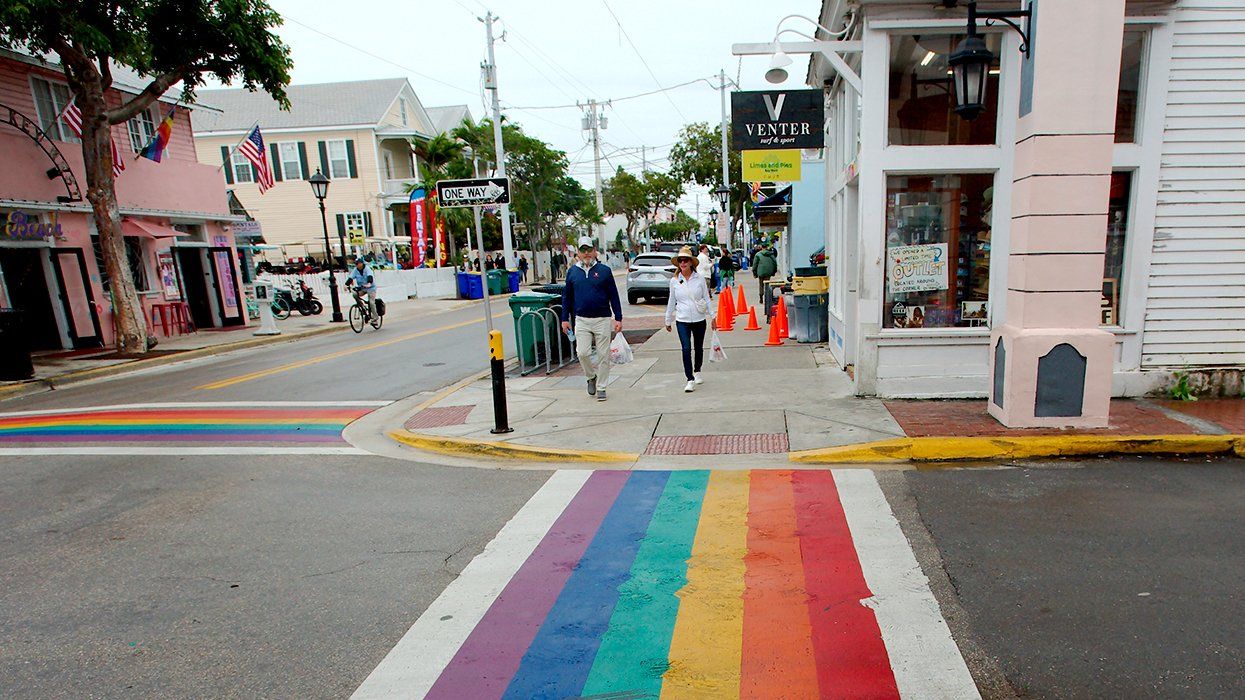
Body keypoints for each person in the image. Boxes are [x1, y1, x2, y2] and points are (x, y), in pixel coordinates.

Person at [561, 235, 623, 402]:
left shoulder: (604, 271)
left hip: (602, 318)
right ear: (578, 254)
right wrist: (564, 318)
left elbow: (613, 295)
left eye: (589, 249)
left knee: (603, 355)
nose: (587, 253)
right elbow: (566, 297)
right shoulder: (573, 272)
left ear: (595, 251)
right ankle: (591, 377)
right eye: (583, 250)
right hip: (581, 319)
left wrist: (618, 317)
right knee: (582, 353)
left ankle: (602, 387)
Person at [664, 246, 712, 393]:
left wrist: (713, 316)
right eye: (680, 260)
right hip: (682, 319)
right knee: (686, 348)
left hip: (698, 319)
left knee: (698, 347)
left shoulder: (700, 279)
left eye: (685, 260)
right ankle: (689, 378)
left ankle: (697, 370)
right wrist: (668, 319)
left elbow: (707, 298)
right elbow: (672, 301)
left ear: (691, 262)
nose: (683, 263)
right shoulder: (674, 281)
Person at [345, 257, 379, 326]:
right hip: (362, 288)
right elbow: (351, 278)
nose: (357, 265)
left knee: (371, 302)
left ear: (361, 263)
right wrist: (346, 285)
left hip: (371, 288)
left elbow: (370, 276)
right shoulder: (355, 270)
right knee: (354, 294)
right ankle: (362, 307)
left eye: (358, 264)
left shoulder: (367, 269)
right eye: (356, 264)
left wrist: (369, 283)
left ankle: (375, 318)